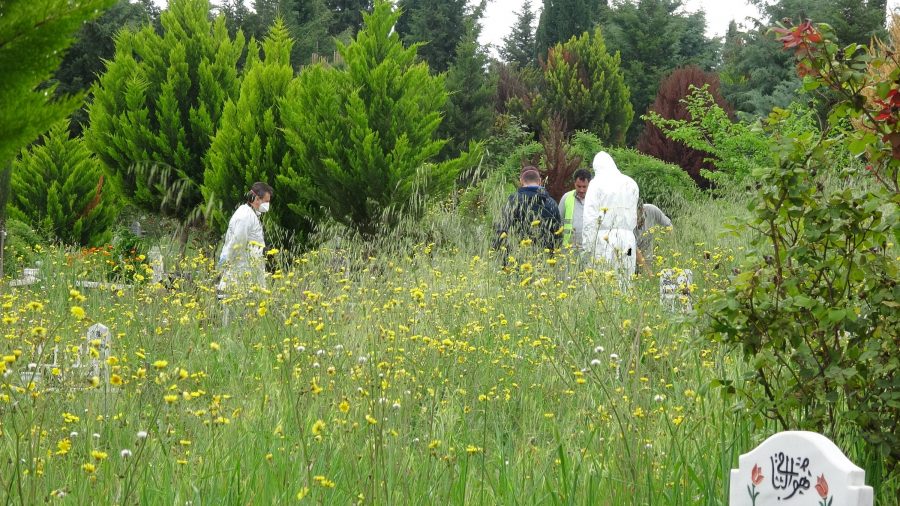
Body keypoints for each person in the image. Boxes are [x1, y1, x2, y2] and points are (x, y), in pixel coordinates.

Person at [582, 152, 639, 280]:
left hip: (605, 239)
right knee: (626, 276)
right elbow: (634, 215)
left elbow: (590, 219)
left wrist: (587, 247)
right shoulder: (630, 183)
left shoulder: (596, 184)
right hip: (628, 240)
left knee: (604, 277)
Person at [218, 182, 272, 298]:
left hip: (248, 272)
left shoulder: (251, 214)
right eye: (266, 201)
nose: (268, 204)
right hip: (240, 273)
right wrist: (226, 263)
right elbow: (237, 244)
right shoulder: (244, 216)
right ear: (257, 199)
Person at [493, 167, 562, 258]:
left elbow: (501, 230)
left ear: (521, 181)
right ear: (540, 181)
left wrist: (499, 254)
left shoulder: (513, 201)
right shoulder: (551, 203)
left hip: (516, 257)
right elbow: (557, 233)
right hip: (544, 259)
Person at [558, 168, 592, 251]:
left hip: (588, 248)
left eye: (584, 187)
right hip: (568, 248)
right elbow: (559, 221)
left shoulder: (595, 200)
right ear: (574, 184)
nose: (581, 190)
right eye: (579, 186)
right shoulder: (566, 198)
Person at [635, 202, 672, 272]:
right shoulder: (626, 223)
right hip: (630, 259)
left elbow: (668, 225)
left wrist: (668, 249)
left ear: (642, 210)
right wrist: (648, 272)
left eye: (638, 217)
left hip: (648, 258)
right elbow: (634, 250)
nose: (637, 221)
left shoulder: (652, 210)